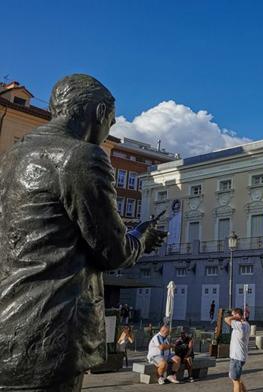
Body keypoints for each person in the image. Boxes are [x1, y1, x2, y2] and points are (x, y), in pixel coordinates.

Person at [0, 74, 166, 392]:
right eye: (112, 122)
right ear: (100, 112)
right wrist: (142, 238)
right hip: (50, 332)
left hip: (8, 328)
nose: (109, 130)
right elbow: (113, 252)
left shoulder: (11, 158)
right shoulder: (82, 157)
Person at [225, 308, 251, 392]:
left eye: (233, 314)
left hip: (237, 357)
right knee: (237, 378)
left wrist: (236, 317)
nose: (231, 316)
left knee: (235, 380)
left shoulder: (240, 325)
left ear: (237, 315)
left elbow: (226, 319)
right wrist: (238, 317)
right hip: (241, 356)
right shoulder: (246, 324)